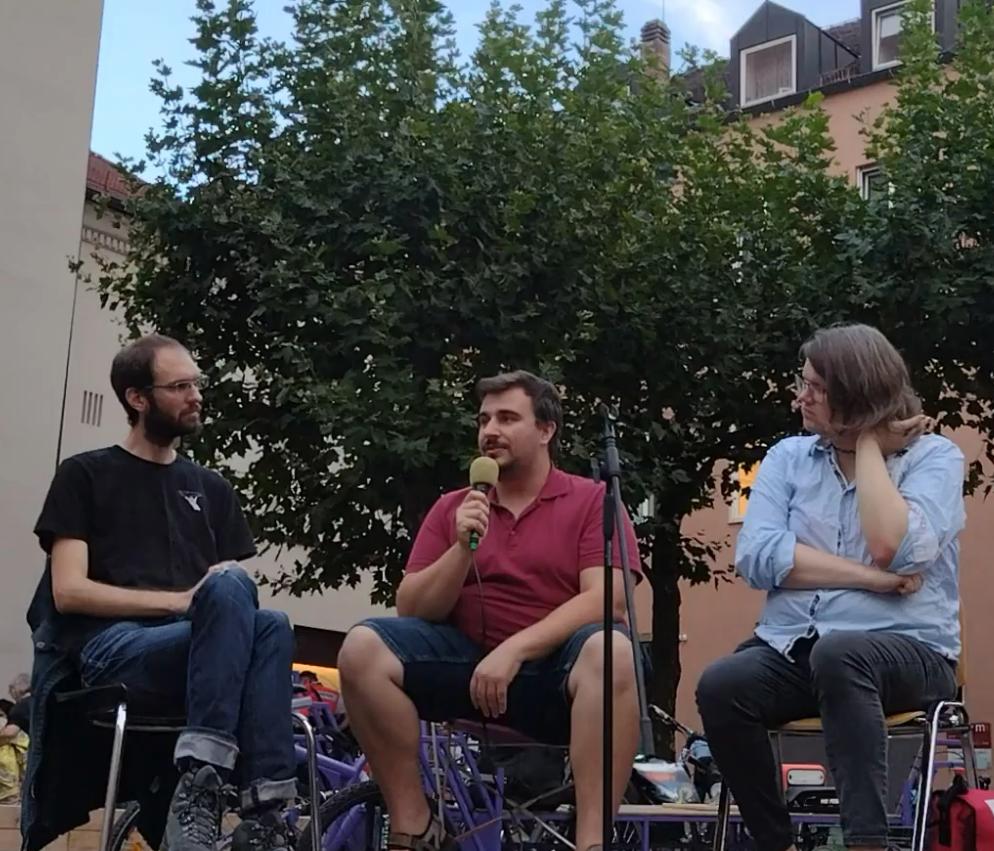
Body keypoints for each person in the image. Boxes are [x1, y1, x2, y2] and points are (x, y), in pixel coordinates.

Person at [338, 370, 643, 851]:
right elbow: (413, 608)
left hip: (558, 674)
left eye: (506, 418)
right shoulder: (455, 507)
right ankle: (415, 827)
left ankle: (591, 842)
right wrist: (461, 549)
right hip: (467, 666)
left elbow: (608, 599)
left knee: (614, 649)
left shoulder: (593, 501)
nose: (489, 431)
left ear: (546, 430)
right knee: (361, 648)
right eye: (483, 420)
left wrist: (516, 650)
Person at [697, 324, 964, 851]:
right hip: (798, 645)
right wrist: (870, 579)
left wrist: (867, 443)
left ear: (857, 390)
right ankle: (775, 843)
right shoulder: (787, 458)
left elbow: (897, 547)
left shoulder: (935, 458)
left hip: (910, 652)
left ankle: (865, 842)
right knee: (722, 685)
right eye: (803, 383)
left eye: (815, 387)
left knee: (842, 654)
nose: (801, 396)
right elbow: (757, 556)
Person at [32, 334, 296, 851]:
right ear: (137, 398)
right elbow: (68, 592)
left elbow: (230, 604)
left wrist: (204, 601)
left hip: (200, 656)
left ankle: (265, 813)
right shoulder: (84, 474)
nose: (196, 395)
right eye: (179, 386)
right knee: (226, 587)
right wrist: (180, 602)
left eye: (197, 383)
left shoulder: (213, 489)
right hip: (113, 649)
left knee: (272, 623)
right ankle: (202, 782)